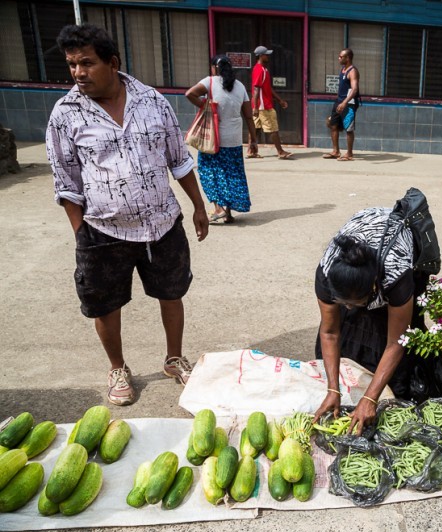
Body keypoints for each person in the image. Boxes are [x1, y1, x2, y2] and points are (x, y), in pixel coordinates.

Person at [46, 23, 209, 406]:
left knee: (171, 293)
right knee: (105, 303)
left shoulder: (152, 101)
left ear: (113, 62)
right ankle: (118, 367)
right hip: (102, 230)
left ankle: (174, 359)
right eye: (72, 64)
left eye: (86, 63)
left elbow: (180, 161)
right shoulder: (65, 114)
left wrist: (198, 206)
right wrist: (80, 232)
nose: (78, 73)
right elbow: (66, 181)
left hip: (162, 224)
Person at [312, 207, 430, 434]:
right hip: (362, 258)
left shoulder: (396, 276)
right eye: (342, 301)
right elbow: (330, 333)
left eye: (354, 303)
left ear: (374, 289)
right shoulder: (327, 274)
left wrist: (370, 398)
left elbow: (397, 342)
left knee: (394, 357)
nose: (346, 308)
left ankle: (376, 395)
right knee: (346, 329)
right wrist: (333, 390)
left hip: (398, 250)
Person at [186, 55, 258, 224]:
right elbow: (248, 116)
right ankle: (229, 212)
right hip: (234, 139)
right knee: (232, 174)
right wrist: (253, 140)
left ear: (214, 68)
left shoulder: (210, 81)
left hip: (214, 139)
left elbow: (189, 94)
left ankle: (219, 209)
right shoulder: (240, 86)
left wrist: (208, 106)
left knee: (209, 171)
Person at [251, 45, 293, 159]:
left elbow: (267, 88)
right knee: (273, 128)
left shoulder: (261, 69)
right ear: (260, 56)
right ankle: (280, 152)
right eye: (266, 54)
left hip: (259, 105)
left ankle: (252, 151)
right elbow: (256, 89)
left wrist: (279, 100)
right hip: (264, 105)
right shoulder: (260, 70)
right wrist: (256, 107)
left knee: (255, 128)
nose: (268, 56)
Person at [323, 48, 360, 162]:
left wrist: (344, 103)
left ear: (347, 58)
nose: (339, 58)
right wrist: (340, 101)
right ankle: (336, 151)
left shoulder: (352, 71)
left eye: (341, 56)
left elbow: (354, 89)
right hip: (339, 101)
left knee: (348, 128)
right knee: (333, 125)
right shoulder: (343, 69)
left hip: (348, 104)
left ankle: (349, 153)